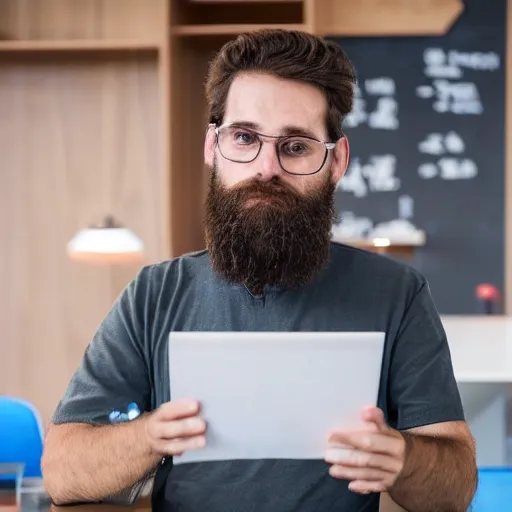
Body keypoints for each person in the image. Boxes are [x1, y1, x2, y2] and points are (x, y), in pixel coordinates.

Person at [42, 29, 477, 512]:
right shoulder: (154, 294)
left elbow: (456, 487)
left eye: (295, 146)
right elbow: (62, 473)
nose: (266, 167)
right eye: (245, 137)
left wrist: (405, 460)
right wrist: (151, 435)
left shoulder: (398, 293)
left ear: (337, 162)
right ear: (213, 146)